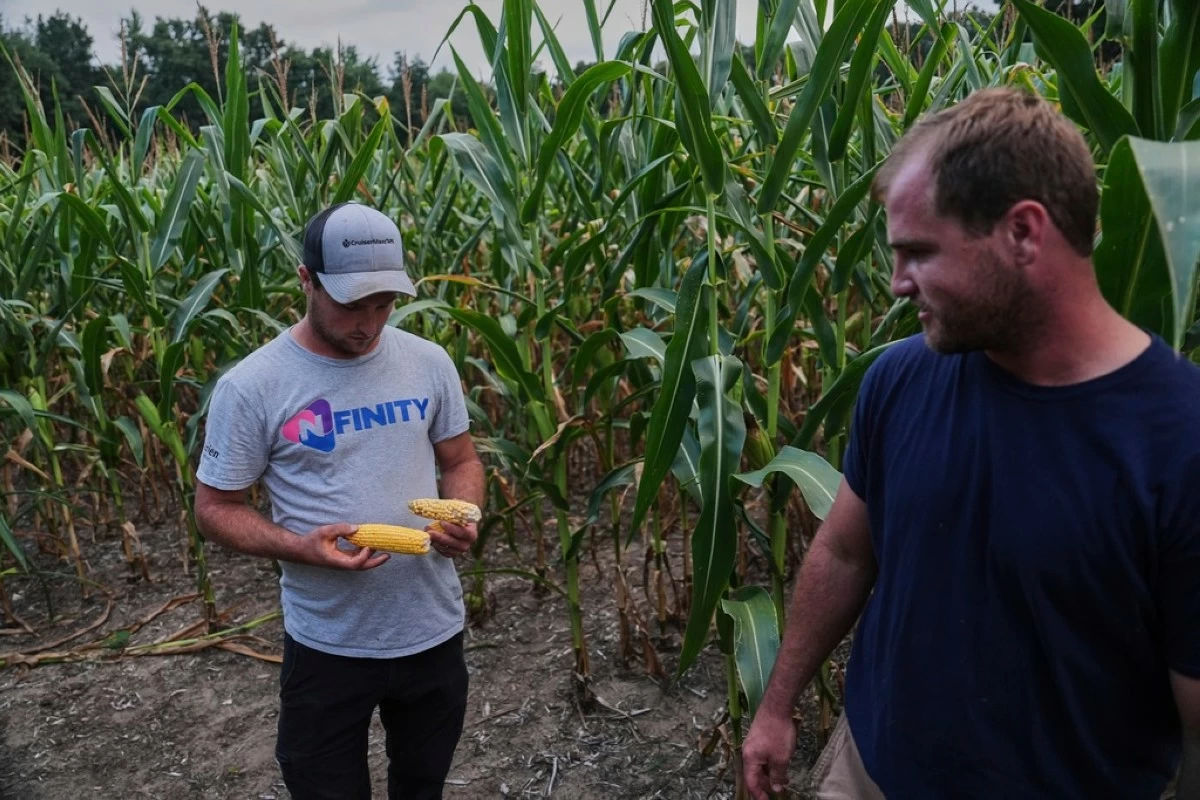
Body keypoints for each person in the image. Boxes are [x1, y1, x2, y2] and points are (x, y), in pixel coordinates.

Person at [742, 88, 1200, 799]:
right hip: (868, 772)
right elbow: (843, 550)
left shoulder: (1181, 440)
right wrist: (775, 708)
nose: (896, 284)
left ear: (1023, 232)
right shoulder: (898, 378)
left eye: (919, 252)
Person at [194, 201, 485, 800]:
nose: (370, 323)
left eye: (385, 304)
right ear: (306, 280)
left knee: (422, 785)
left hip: (433, 631)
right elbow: (214, 509)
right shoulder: (253, 387)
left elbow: (462, 462)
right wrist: (299, 547)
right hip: (330, 644)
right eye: (353, 305)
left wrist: (463, 513)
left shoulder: (427, 363)